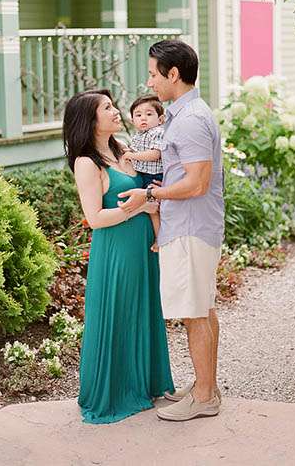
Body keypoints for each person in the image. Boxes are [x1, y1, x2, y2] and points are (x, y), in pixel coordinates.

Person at [118, 39, 224, 422]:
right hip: (193, 226)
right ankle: (204, 387)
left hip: (191, 228)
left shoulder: (192, 119)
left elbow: (196, 182)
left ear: (173, 74)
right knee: (204, 309)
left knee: (195, 314)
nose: (150, 81)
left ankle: (205, 397)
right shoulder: (184, 115)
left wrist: (151, 193)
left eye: (152, 73)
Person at [63, 89, 174, 424]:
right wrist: (136, 209)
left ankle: (147, 384)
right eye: (107, 108)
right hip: (117, 248)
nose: (115, 112)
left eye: (112, 106)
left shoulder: (123, 149)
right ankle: (115, 392)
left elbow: (149, 190)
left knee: (144, 309)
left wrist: (150, 204)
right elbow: (95, 218)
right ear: (90, 120)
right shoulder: (86, 163)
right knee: (120, 312)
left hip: (142, 245)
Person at [125, 94, 166, 252]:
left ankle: (160, 239)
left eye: (149, 114)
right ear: (132, 120)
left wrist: (131, 155)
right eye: (138, 115)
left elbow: (154, 154)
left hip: (155, 176)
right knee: (150, 207)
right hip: (143, 175)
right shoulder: (138, 136)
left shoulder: (157, 132)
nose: (143, 118)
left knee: (154, 209)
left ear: (160, 119)